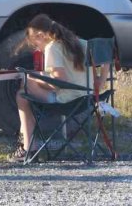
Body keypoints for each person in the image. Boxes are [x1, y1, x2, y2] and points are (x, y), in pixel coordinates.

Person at [12, 14, 101, 161]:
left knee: (22, 93)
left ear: (41, 36)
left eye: (36, 44)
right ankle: (27, 145)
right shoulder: (81, 42)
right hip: (87, 97)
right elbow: (100, 65)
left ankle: (28, 148)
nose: (38, 49)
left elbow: (58, 81)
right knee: (27, 90)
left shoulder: (53, 47)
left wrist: (34, 79)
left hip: (66, 99)